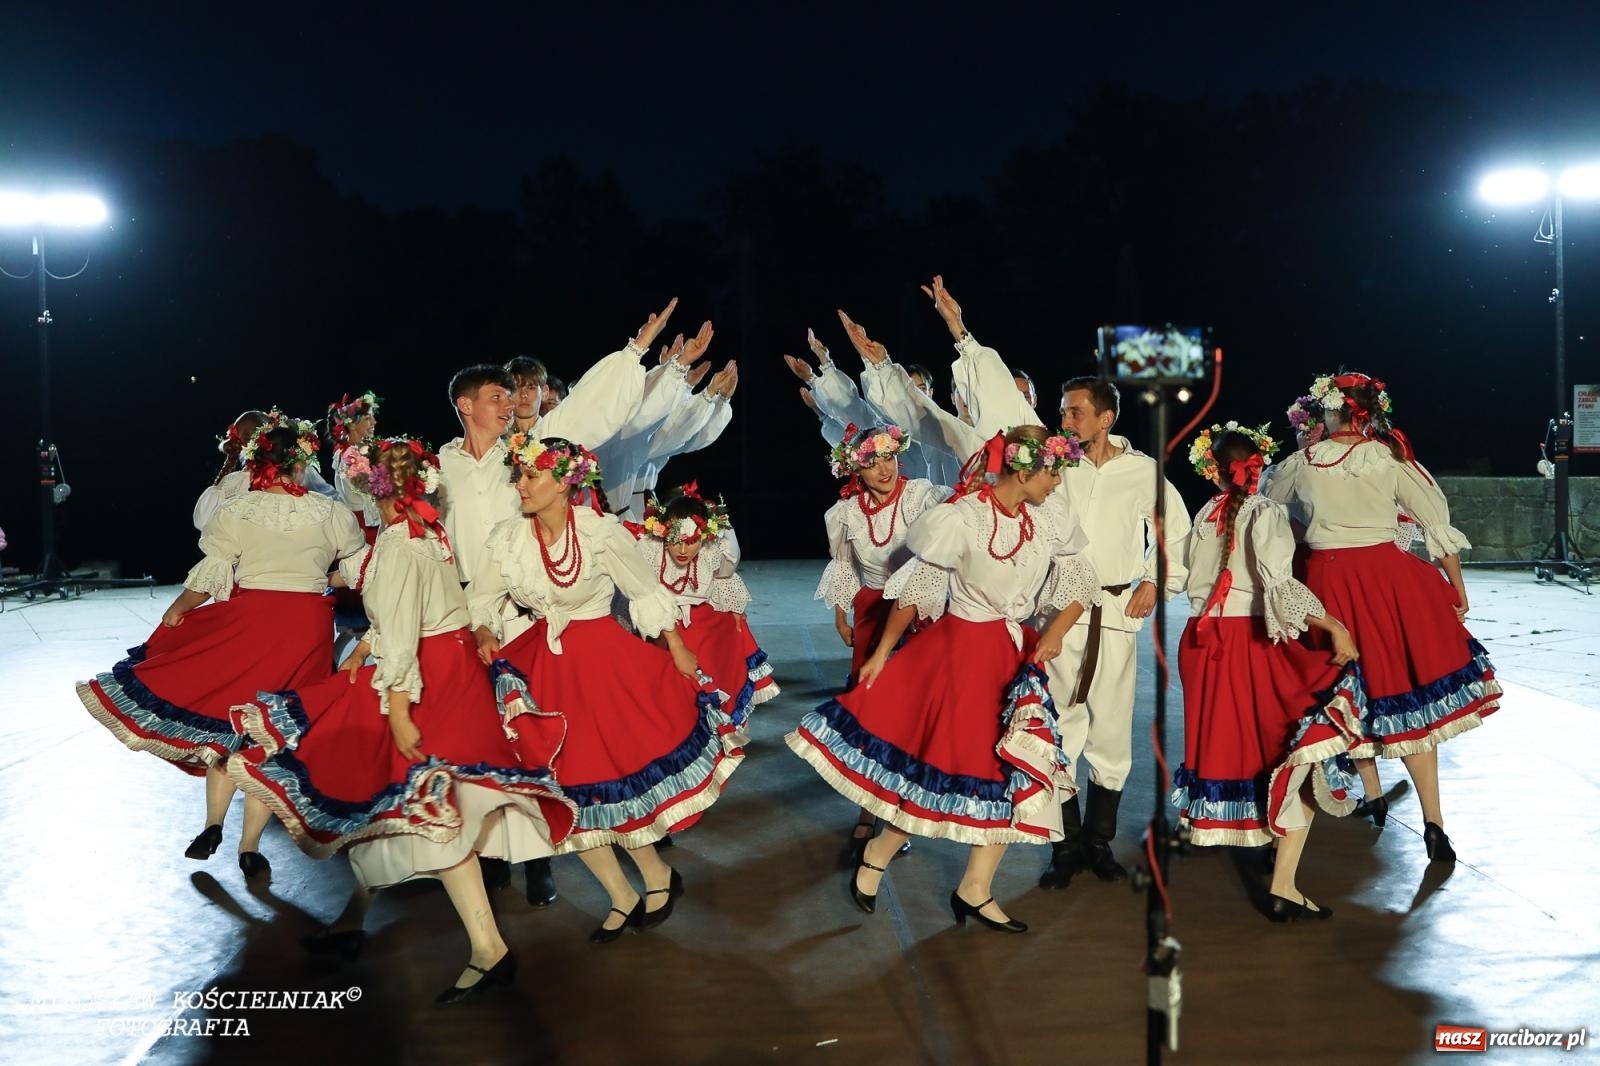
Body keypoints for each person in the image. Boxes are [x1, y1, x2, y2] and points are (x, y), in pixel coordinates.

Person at [227, 436, 577, 1002]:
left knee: (429, 811)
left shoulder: (398, 544)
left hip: (427, 681)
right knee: (395, 804)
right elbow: (410, 614)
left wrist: (397, 710)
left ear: (373, 491)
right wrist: (369, 648)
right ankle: (353, 921)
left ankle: (489, 949)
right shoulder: (425, 534)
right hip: (451, 672)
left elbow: (404, 632)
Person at [788, 426, 1097, 933]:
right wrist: (881, 654)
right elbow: (916, 590)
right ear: (1023, 471)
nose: (1057, 483)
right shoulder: (963, 517)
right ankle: (877, 857)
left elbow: (1082, 581)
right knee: (943, 765)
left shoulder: (1047, 519)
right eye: (1052, 472)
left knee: (1012, 772)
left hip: (1013, 657)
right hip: (959, 655)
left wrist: (1055, 633)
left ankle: (975, 888)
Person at [468, 436, 745, 941]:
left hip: (603, 664)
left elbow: (644, 592)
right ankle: (620, 893)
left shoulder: (599, 533)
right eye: (519, 475)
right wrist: (485, 629)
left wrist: (678, 649)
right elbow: (482, 598)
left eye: (531, 475)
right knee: (566, 790)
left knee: (614, 774)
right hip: (544, 669)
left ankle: (657, 875)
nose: (520, 485)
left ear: (563, 483)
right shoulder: (507, 538)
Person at [76, 418, 365, 871]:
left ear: (259, 461)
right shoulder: (331, 514)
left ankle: (213, 823)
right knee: (272, 738)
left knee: (228, 727)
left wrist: (178, 610)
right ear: (302, 462)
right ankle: (250, 847)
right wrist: (317, 578)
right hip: (305, 628)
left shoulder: (239, 509)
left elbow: (212, 574)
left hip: (250, 622)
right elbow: (358, 567)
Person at [1264, 372, 1499, 863]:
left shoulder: (1303, 463)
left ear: (1330, 412)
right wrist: (1457, 587)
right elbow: (1435, 521)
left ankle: (1372, 795)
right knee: (1403, 692)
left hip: (1328, 581)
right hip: (1389, 582)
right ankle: (1434, 823)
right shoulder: (1389, 457)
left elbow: (1267, 506)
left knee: (1351, 695)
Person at [1173, 424, 1365, 921]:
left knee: (1243, 752)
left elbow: (1182, 575)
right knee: (1296, 748)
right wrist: (1334, 626)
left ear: (1214, 471)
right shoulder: (1263, 512)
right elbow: (1279, 586)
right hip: (1245, 644)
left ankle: (1269, 852)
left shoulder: (1207, 513)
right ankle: (1283, 884)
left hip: (1202, 645)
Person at [1039, 373, 1191, 888]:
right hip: (1060, 613)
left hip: (1116, 613)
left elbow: (1175, 532)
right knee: (1059, 725)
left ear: (1105, 418)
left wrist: (1153, 578)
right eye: (1063, 412)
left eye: (1075, 412)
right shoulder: (1056, 465)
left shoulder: (1141, 471)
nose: (1065, 421)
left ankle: (1098, 842)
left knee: (1109, 729)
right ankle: (1064, 845)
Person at [630, 484, 778, 727]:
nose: (682, 549)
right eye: (676, 541)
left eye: (691, 541)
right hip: (665, 624)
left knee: (714, 672)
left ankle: (721, 727)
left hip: (705, 623)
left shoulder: (712, 550)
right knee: (670, 686)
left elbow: (725, 578)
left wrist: (736, 611)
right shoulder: (649, 550)